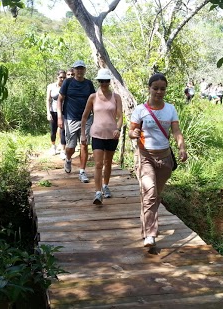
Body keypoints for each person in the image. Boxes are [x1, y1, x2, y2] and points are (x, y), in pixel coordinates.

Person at [129, 73, 188, 247]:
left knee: (155, 195)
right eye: (155, 88)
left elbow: (176, 131)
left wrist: (181, 148)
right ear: (149, 88)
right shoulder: (140, 110)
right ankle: (150, 234)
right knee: (150, 192)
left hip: (164, 158)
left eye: (162, 89)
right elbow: (132, 131)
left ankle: (146, 222)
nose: (159, 92)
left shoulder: (170, 109)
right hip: (144, 155)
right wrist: (135, 133)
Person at [80, 68, 123, 205]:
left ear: (109, 81)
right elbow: (85, 116)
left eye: (106, 81)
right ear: (98, 82)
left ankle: (106, 185)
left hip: (112, 135)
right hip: (97, 134)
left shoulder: (116, 97)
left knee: (108, 162)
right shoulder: (93, 97)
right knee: (98, 164)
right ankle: (98, 192)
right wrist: (83, 134)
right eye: (101, 81)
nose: (104, 83)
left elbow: (120, 116)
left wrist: (118, 128)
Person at [57, 60, 96, 183]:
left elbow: (94, 101)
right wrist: (59, 117)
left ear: (85, 70)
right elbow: (60, 100)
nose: (79, 71)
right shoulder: (68, 83)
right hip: (71, 118)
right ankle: (68, 159)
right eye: (77, 69)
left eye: (81, 68)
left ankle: (82, 171)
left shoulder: (88, 84)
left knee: (84, 144)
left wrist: (96, 117)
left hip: (87, 119)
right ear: (73, 70)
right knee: (71, 147)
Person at [46, 70, 67, 157]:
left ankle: (63, 150)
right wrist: (48, 112)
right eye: (60, 77)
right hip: (53, 111)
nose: (62, 79)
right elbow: (48, 100)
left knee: (63, 131)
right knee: (53, 131)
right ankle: (53, 146)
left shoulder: (66, 87)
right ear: (57, 77)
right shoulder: (51, 86)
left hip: (63, 112)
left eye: (64, 77)